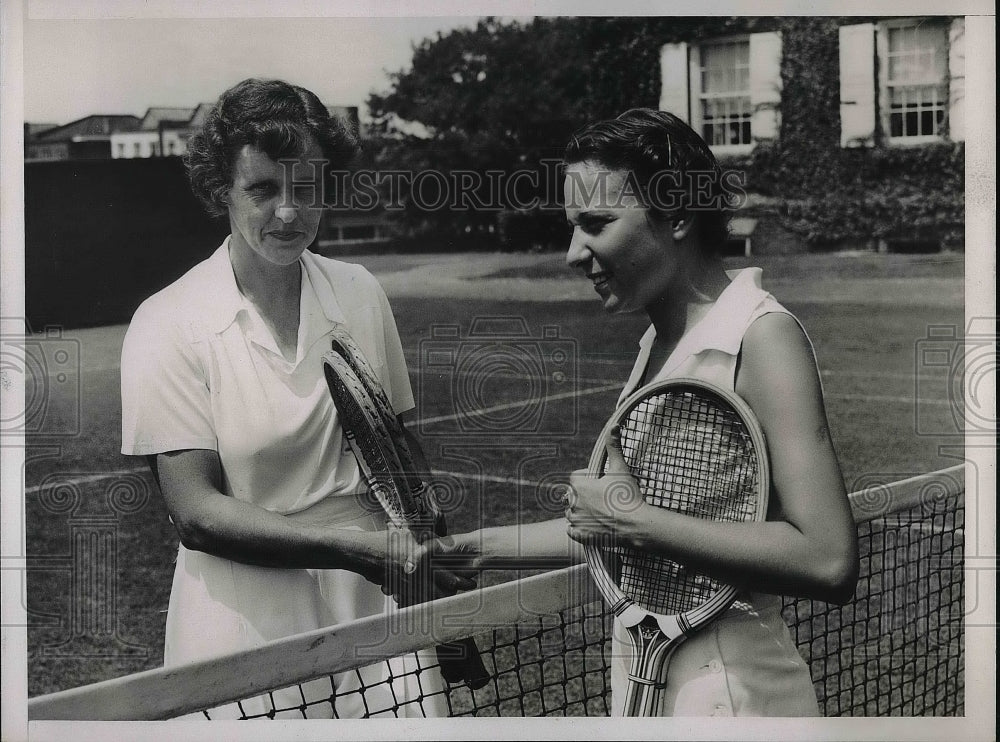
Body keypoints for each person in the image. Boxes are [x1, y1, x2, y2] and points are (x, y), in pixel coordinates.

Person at [428, 108, 860, 717]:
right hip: (649, 682)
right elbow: (623, 534)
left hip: (737, 697)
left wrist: (632, 523)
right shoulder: (657, 344)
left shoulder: (762, 336)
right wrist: (476, 549)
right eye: (572, 226)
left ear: (677, 215)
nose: (574, 252)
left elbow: (828, 557)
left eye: (597, 223)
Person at [120, 78, 471, 719]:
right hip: (241, 616)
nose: (289, 211)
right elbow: (196, 513)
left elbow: (399, 454)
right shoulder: (166, 320)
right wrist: (352, 550)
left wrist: (431, 584)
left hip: (377, 607)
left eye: (306, 188)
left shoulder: (360, 291)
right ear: (219, 189)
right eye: (262, 190)